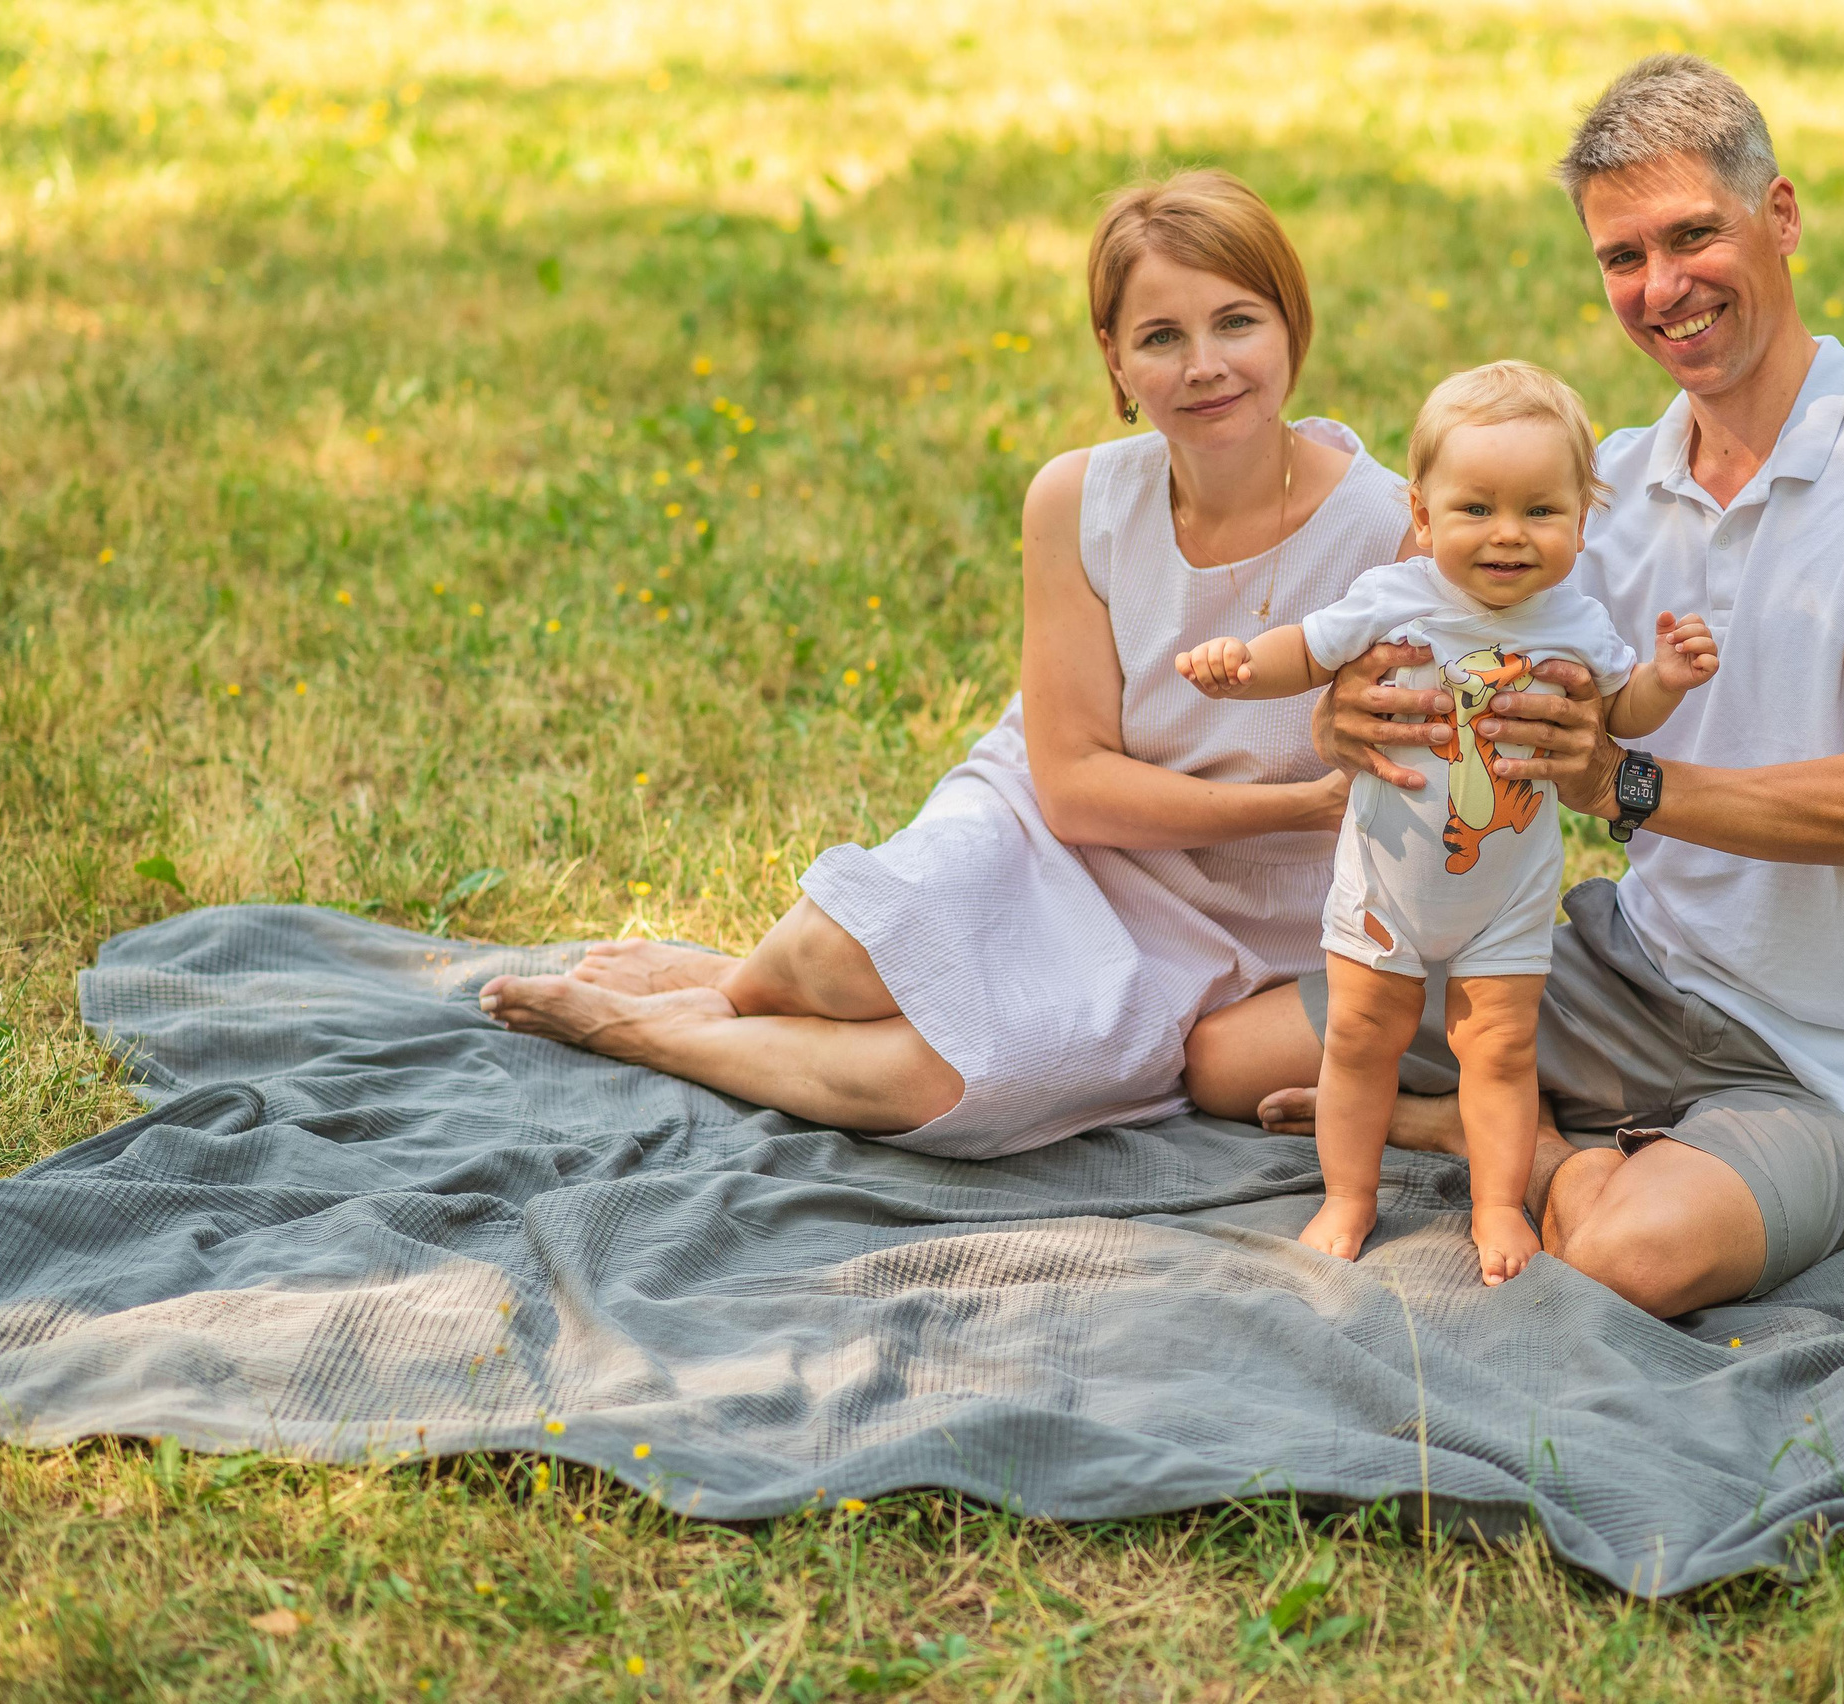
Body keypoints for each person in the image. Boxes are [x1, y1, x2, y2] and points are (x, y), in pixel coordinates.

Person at [1185, 54, 1844, 1314]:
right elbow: (1416, 629)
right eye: (1622, 258)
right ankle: (1509, 1110)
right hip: (1632, 968)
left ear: (1782, 217)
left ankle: (1489, 1141)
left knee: (1636, 1254)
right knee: (1222, 1060)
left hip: (1831, 1061)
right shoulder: (1606, 490)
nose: (1662, 289)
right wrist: (1343, 710)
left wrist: (1622, 780)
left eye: (1695, 235)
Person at [479, 169, 1414, 1158]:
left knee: (956, 1082)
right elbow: (1074, 791)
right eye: (1159, 337)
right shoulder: (1076, 499)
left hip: (1236, 914)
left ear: (1290, 324)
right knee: (837, 963)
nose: (1203, 365)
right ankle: (732, 984)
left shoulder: (1389, 530)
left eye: (1236, 323)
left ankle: (673, 1030)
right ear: (1113, 358)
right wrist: (1301, 804)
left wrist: (1306, 822)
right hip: (1047, 829)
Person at [1176, 361, 1717, 1283]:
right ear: (1423, 518)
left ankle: (1499, 1203)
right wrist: (1239, 665)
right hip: (1386, 883)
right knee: (1359, 1039)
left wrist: (1665, 679)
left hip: (1504, 899)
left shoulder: (1576, 622)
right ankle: (1348, 1195)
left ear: (1583, 522)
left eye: (1540, 512)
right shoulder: (1396, 598)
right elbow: (1303, 653)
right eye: (1476, 510)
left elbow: (1620, 718)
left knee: (1500, 1053)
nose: (1507, 535)